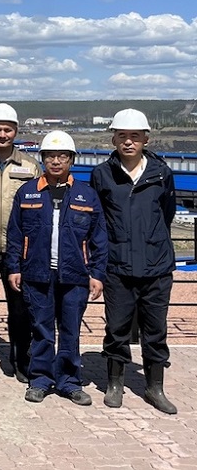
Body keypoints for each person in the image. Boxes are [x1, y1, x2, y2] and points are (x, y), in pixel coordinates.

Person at [7, 131, 106, 406]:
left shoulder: (86, 195)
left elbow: (99, 239)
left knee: (71, 330)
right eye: (50, 156)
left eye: (62, 156)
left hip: (75, 275)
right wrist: (14, 267)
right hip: (36, 273)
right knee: (41, 330)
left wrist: (97, 274)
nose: (56, 161)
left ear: (71, 160)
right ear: (43, 159)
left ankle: (70, 382)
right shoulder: (27, 192)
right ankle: (40, 380)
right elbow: (15, 235)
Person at [91, 108, 178, 414]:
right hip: (118, 266)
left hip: (156, 266)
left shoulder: (161, 173)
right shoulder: (102, 174)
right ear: (113, 139)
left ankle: (155, 387)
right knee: (116, 328)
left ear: (146, 139)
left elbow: (166, 213)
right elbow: (98, 221)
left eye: (135, 136)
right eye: (123, 136)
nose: (128, 142)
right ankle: (114, 384)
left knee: (156, 329)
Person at [0, 103, 40, 381]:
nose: (2, 134)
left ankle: (20, 359)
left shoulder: (30, 166)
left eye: (8, 129)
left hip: (18, 251)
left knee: (20, 309)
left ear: (16, 131)